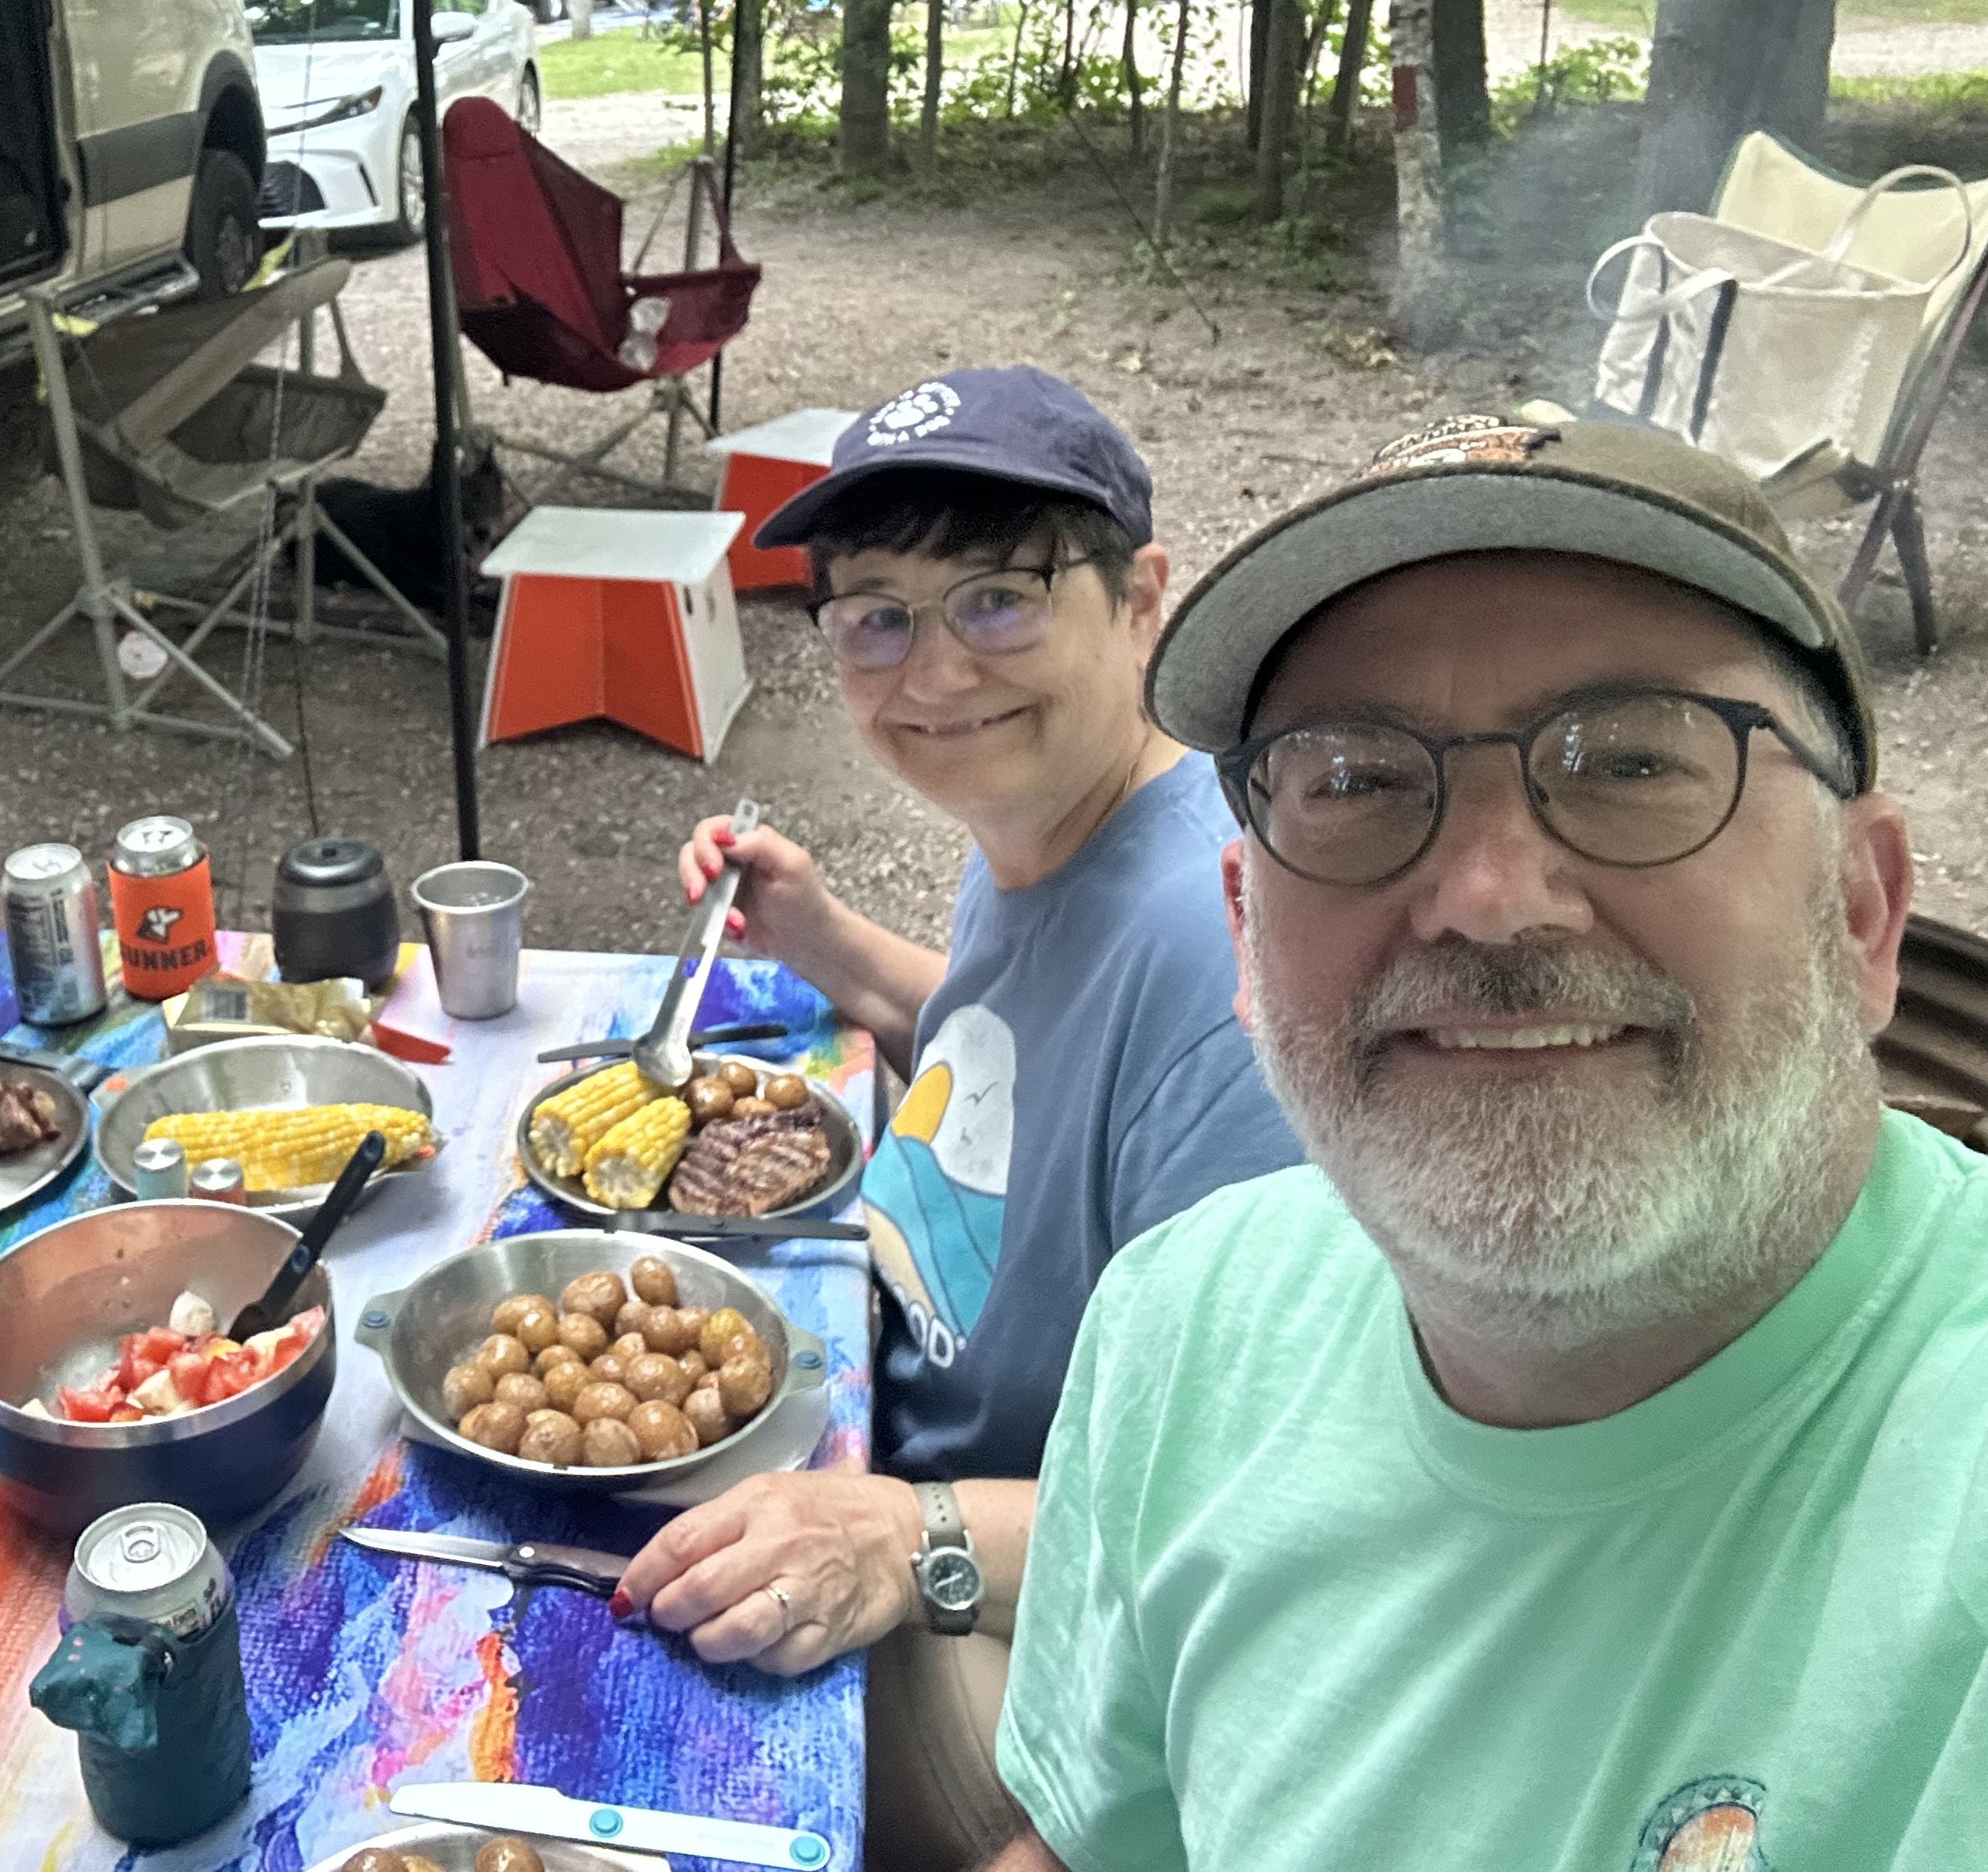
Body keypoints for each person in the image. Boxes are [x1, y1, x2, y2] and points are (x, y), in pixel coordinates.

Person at [988, 416, 1988, 1872]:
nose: (1489, 894)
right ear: (1245, 937)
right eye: (1356, 778)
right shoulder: (1179, 1327)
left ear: (1860, 906)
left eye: (1630, 759)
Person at [612, 367, 1303, 1866]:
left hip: (1059, 1622)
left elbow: (1269, 1506)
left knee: (637, 1731)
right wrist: (833, 944)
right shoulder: (1045, 820)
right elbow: (1013, 1056)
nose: (931, 674)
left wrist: (906, 1536)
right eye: (876, 614)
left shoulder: (1228, 971)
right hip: (892, 1424)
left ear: (1142, 603)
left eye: (997, 597)